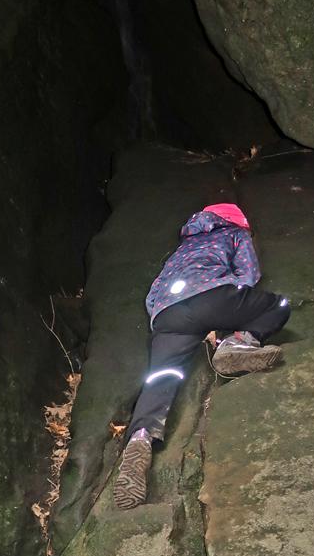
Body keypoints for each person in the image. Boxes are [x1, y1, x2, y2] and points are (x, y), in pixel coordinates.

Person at [113, 202, 290, 510]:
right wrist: (230, 307)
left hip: (166, 314)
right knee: (279, 305)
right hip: (210, 296)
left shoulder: (185, 246)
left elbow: (154, 290)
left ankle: (140, 438)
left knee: (162, 377)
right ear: (238, 221)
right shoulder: (234, 235)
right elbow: (249, 273)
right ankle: (237, 343)